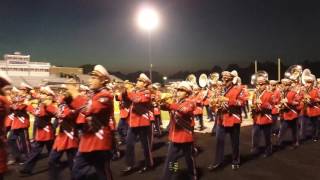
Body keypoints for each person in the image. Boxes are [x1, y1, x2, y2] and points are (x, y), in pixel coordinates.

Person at [72, 65, 114, 180]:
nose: (90, 80)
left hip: (99, 141)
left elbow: (89, 109)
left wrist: (74, 94)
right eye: (90, 77)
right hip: (87, 140)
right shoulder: (93, 95)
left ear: (103, 80)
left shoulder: (106, 95)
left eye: (94, 78)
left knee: (103, 174)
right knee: (76, 172)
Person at [208, 70, 247, 171]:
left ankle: (236, 160)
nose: (224, 80)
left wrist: (228, 100)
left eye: (227, 79)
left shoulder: (239, 89)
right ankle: (217, 161)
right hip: (221, 119)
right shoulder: (219, 89)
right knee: (219, 142)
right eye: (223, 78)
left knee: (235, 142)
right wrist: (213, 105)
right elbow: (214, 102)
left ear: (232, 79)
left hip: (233, 119)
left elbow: (242, 103)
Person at [161, 81, 197, 180]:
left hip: (185, 135)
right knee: (171, 159)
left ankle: (192, 176)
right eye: (178, 90)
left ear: (187, 93)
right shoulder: (176, 101)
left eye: (181, 90)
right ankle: (169, 177)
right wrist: (161, 102)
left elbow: (184, 110)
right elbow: (165, 108)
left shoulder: (191, 101)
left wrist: (170, 104)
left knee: (189, 159)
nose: (178, 92)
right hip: (175, 135)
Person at [122, 73, 154, 174]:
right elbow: (123, 99)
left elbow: (137, 100)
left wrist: (129, 91)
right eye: (138, 80)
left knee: (145, 146)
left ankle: (149, 164)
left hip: (143, 122)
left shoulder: (147, 92)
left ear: (145, 84)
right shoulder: (134, 91)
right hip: (133, 122)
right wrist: (124, 91)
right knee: (129, 144)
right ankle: (130, 165)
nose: (137, 82)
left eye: (140, 81)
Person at [251, 76, 274, 157]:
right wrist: (253, 106)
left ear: (265, 84)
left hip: (266, 117)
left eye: (262, 84)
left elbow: (272, 106)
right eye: (258, 84)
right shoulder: (255, 93)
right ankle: (255, 149)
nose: (260, 86)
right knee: (255, 134)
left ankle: (268, 150)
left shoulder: (270, 94)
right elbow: (253, 104)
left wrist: (263, 104)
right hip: (257, 117)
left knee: (267, 136)